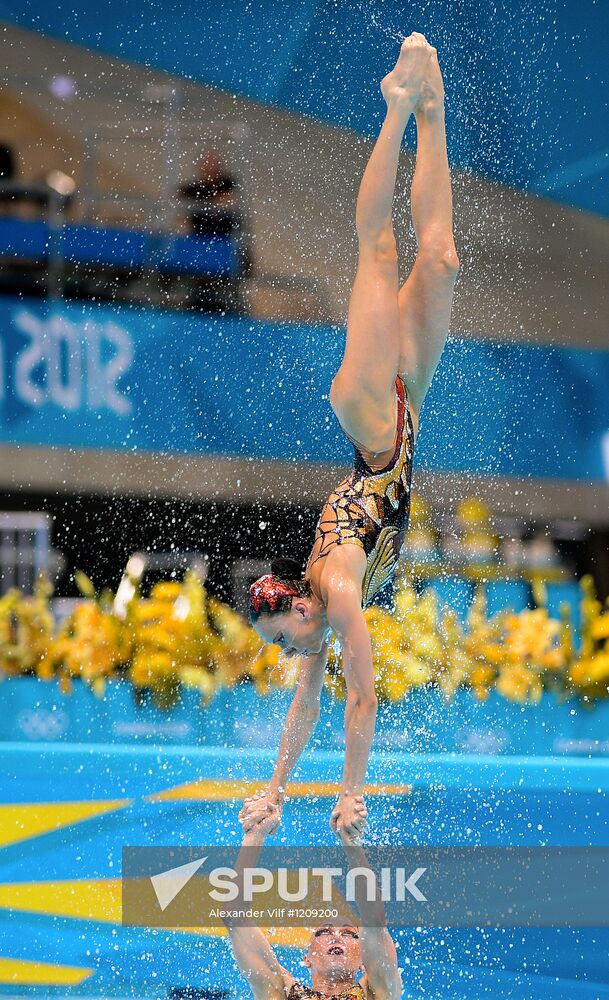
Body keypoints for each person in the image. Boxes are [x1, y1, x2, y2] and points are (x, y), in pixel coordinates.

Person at [244, 34, 459, 839]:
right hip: (409, 419)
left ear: (298, 609)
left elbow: (357, 697)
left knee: (378, 250)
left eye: (280, 638)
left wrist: (351, 792)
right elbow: (311, 702)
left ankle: (394, 109)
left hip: (372, 417)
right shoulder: (320, 614)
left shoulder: (335, 593)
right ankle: (431, 110)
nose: (286, 652)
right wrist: (275, 786)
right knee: (438, 259)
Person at [225, 796, 402, 999]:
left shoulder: (377, 992)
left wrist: (350, 841)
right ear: (307, 958)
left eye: (349, 934)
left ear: (364, 959)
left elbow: (375, 920)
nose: (336, 937)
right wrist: (255, 835)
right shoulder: (281, 992)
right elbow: (234, 916)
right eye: (324, 932)